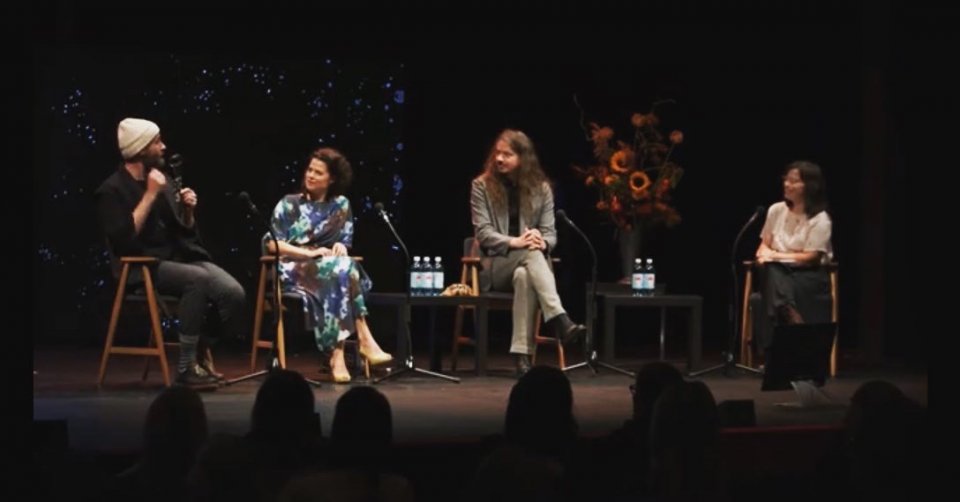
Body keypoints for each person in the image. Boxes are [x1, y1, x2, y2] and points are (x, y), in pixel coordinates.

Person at [96, 118, 246, 389]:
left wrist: (188, 210)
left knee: (232, 293)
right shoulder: (111, 190)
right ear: (141, 148)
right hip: (141, 266)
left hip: (178, 259)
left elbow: (185, 232)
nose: (163, 147)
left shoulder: (162, 180)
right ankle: (186, 367)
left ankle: (201, 348)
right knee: (197, 280)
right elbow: (123, 240)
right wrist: (150, 195)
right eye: (156, 142)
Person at [266, 147, 392, 383]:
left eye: (318, 172)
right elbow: (272, 245)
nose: (310, 175)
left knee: (342, 269)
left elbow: (344, 241)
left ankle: (338, 355)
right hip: (293, 268)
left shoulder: (341, 206)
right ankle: (361, 340)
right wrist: (307, 255)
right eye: (309, 170)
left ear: (332, 179)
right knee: (343, 271)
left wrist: (342, 248)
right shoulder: (289, 204)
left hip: (330, 271)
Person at [470, 129, 586, 377]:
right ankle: (560, 318)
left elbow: (550, 234)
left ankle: (522, 358)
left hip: (528, 268)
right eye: (497, 153)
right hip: (495, 265)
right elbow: (484, 234)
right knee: (530, 253)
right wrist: (517, 241)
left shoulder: (542, 189)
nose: (500, 159)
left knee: (526, 273)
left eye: (508, 154)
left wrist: (541, 241)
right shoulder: (481, 186)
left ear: (523, 158)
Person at [754, 160, 833, 353]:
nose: (787, 184)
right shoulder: (776, 210)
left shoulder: (820, 219)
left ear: (809, 186)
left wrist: (774, 255)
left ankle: (772, 347)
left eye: (793, 181)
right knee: (771, 270)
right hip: (777, 272)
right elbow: (765, 243)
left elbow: (811, 256)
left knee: (772, 272)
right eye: (786, 179)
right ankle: (788, 310)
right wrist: (764, 252)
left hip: (807, 275)